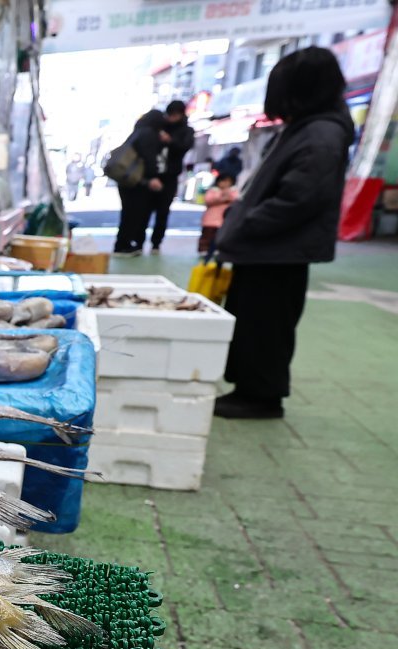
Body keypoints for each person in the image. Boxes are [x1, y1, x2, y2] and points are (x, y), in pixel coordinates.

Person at [214, 47, 355, 419]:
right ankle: (249, 387)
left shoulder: (322, 133)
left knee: (267, 325)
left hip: (279, 250)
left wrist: (245, 224)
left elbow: (300, 198)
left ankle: (261, 395)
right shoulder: (307, 127)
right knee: (253, 319)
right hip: (265, 248)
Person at [113, 103, 185, 255]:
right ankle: (124, 245)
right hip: (137, 181)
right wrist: (153, 177)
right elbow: (149, 158)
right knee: (134, 214)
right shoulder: (149, 134)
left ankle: (124, 244)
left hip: (126, 179)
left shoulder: (138, 132)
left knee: (128, 213)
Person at [146, 101, 194, 252]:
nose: (172, 118)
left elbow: (185, 147)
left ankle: (156, 242)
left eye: (175, 115)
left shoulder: (186, 131)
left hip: (170, 176)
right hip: (153, 172)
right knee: (144, 209)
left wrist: (170, 141)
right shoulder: (159, 126)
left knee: (163, 211)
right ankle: (139, 240)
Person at [197, 174, 237, 253]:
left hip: (225, 221)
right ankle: (204, 250)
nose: (225, 184)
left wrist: (227, 194)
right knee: (207, 237)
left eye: (228, 182)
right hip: (210, 221)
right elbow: (208, 200)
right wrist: (222, 198)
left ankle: (218, 251)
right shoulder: (213, 191)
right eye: (223, 181)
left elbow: (236, 200)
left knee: (221, 238)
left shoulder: (233, 191)